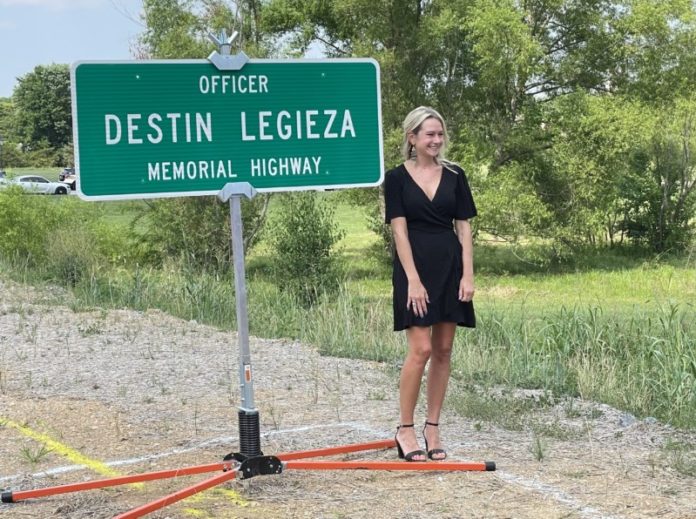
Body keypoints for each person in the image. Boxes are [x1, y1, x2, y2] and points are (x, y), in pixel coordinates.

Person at [384, 106, 477, 461]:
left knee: (443, 350)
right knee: (420, 349)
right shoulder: (395, 177)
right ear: (413, 138)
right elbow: (399, 229)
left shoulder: (456, 175)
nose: (437, 140)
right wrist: (413, 280)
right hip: (414, 269)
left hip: (450, 267)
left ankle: (432, 426)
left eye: (440, 134)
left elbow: (464, 227)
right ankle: (405, 430)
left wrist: (468, 274)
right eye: (429, 135)